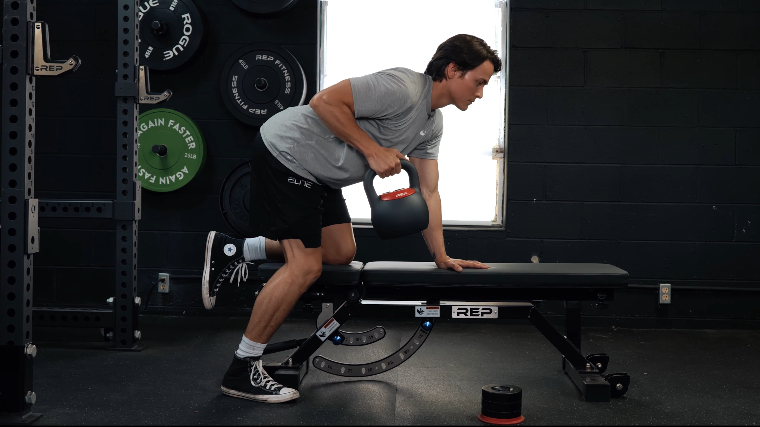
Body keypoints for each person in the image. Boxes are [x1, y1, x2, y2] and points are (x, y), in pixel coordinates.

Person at [202, 34, 501, 403]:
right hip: (288, 151)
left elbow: (428, 191)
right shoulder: (404, 88)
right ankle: (242, 368)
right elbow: (324, 101)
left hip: (321, 174)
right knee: (305, 266)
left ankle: (238, 250)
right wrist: (373, 150)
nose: (481, 93)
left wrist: (440, 256)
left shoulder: (432, 124)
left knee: (341, 252)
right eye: (479, 82)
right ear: (454, 70)